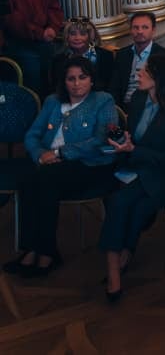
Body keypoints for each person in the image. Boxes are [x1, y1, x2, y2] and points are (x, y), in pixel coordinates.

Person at [5, 58, 116, 279]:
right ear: (63, 82)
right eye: (71, 79)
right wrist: (39, 155)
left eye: (82, 78)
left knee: (45, 181)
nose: (77, 84)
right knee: (28, 181)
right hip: (48, 162)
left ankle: (46, 253)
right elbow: (32, 134)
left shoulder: (103, 100)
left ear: (92, 80)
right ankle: (31, 249)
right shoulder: (53, 101)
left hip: (87, 164)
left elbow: (101, 139)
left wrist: (58, 153)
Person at [100, 53, 165, 303]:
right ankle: (123, 253)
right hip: (139, 164)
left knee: (123, 202)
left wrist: (134, 150)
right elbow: (135, 136)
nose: (138, 73)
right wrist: (125, 142)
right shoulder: (139, 98)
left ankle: (114, 270)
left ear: (160, 78)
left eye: (144, 71)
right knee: (118, 199)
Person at [0, 0, 64, 89]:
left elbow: (53, 5)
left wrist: (53, 27)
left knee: (52, 82)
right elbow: (10, 19)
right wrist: (40, 33)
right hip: (21, 44)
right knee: (33, 85)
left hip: (47, 41)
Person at [106, 12, 165, 106]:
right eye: (135, 27)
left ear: (153, 30)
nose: (139, 31)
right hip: (123, 106)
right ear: (130, 30)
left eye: (145, 27)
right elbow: (114, 87)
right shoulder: (122, 54)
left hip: (148, 106)